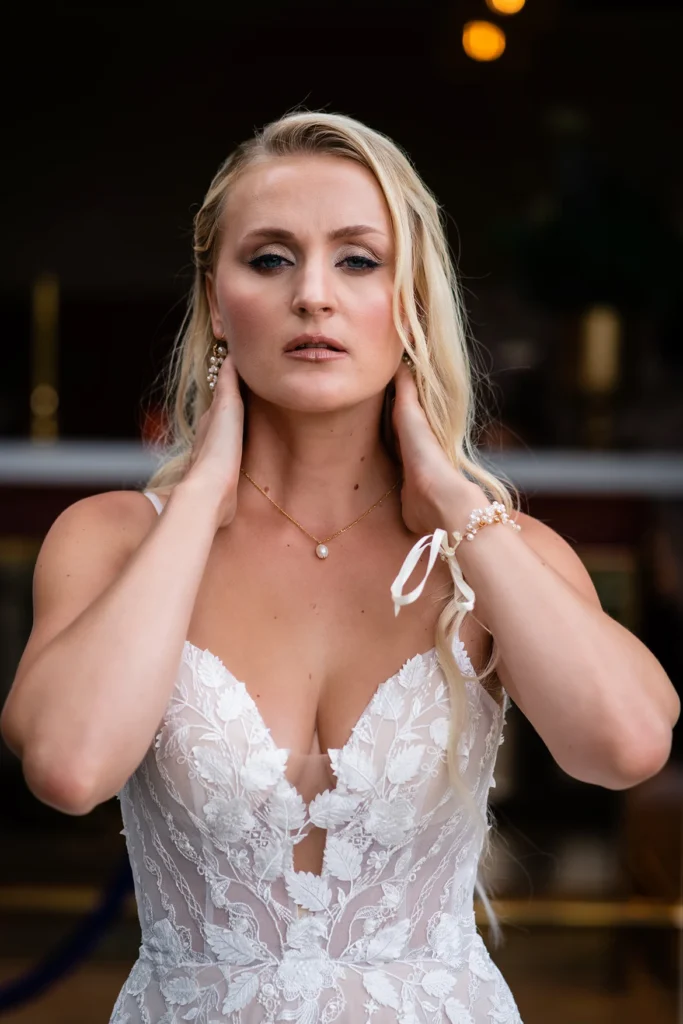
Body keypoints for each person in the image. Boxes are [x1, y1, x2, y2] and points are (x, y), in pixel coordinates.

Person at [1, 111, 679, 1024]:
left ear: (412, 300)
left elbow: (624, 747)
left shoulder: (490, 549)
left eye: (358, 260)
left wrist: (450, 497)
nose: (312, 295)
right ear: (214, 298)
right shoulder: (113, 540)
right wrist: (199, 499)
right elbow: (71, 769)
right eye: (270, 258)